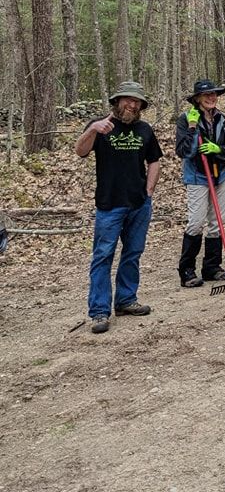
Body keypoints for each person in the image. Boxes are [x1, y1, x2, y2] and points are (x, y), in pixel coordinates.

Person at [75, 81, 162, 334]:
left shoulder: (144, 129)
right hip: (109, 204)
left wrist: (149, 190)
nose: (132, 105)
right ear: (117, 101)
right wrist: (92, 129)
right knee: (103, 256)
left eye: (137, 102)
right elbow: (80, 151)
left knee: (133, 253)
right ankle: (99, 311)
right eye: (128, 100)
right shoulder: (101, 126)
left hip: (139, 204)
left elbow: (154, 161)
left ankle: (125, 300)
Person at [175, 79, 225, 287]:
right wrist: (193, 128)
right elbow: (184, 151)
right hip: (197, 176)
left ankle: (212, 267)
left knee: (217, 222)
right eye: (206, 95)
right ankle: (187, 270)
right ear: (197, 99)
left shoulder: (223, 119)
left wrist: (218, 149)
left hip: (219, 175)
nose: (212, 98)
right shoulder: (186, 119)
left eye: (214, 94)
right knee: (196, 222)